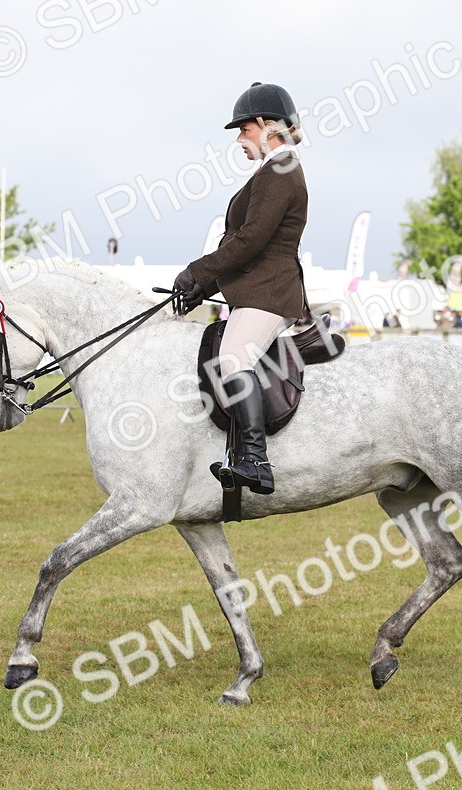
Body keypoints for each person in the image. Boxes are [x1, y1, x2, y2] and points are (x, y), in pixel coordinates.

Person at [171, 82, 308, 495]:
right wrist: (204, 284)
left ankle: (255, 461)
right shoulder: (273, 170)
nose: (239, 139)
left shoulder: (280, 170)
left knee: (232, 360)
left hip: (268, 293)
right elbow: (241, 244)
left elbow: (250, 241)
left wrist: (196, 270)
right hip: (258, 290)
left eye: (244, 129)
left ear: (267, 126)